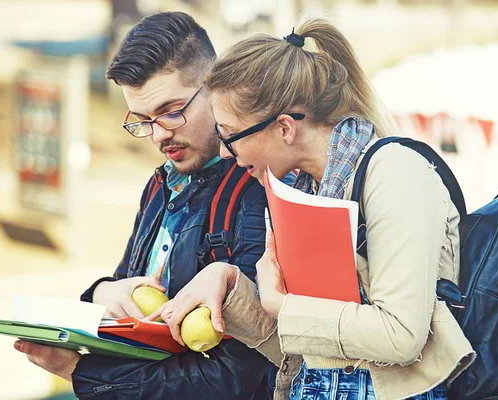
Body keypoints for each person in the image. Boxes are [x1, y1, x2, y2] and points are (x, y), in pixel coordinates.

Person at [155, 18, 477, 400]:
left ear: (285, 129)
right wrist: (228, 286)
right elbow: (317, 355)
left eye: (229, 135)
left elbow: (401, 337)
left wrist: (285, 307)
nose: (225, 152)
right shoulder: (301, 191)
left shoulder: (395, 173)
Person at [13, 12, 280, 399]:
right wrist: (102, 294)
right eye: (141, 120)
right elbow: (126, 283)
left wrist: (81, 374)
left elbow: (236, 375)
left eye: (171, 111)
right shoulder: (160, 184)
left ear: (215, 87)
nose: (158, 134)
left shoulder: (257, 189)